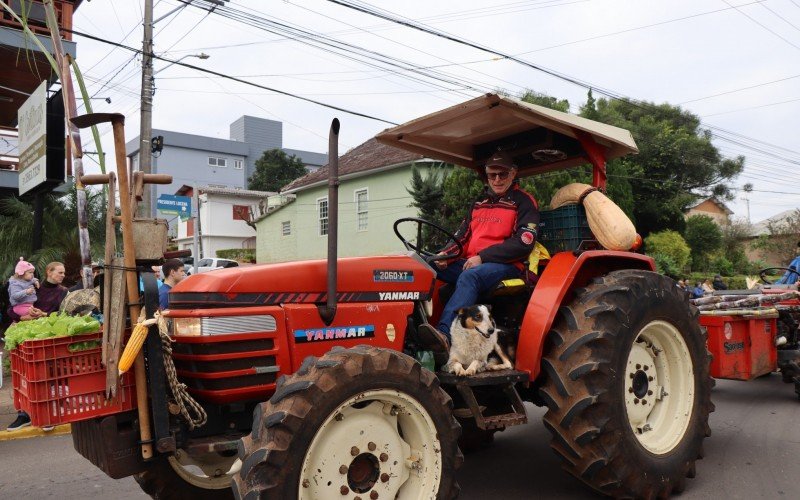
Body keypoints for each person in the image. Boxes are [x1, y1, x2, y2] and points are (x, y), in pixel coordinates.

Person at [417, 151, 539, 352]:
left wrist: (482, 257)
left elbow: (523, 243)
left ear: (513, 173)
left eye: (502, 174)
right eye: (492, 175)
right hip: (474, 262)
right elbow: (462, 237)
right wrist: (445, 256)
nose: (497, 179)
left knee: (469, 276)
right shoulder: (479, 203)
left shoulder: (523, 202)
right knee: (423, 264)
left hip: (506, 266)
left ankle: (444, 335)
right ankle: (411, 331)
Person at [6, 261, 68, 431]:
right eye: (60, 272)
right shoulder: (33, 284)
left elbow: (63, 314)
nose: (63, 275)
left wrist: (44, 314)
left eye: (64, 273)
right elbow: (11, 308)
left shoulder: (64, 292)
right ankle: (23, 415)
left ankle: (47, 416)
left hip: (45, 338)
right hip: (26, 337)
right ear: (49, 271)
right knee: (24, 377)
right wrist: (22, 317)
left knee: (46, 377)